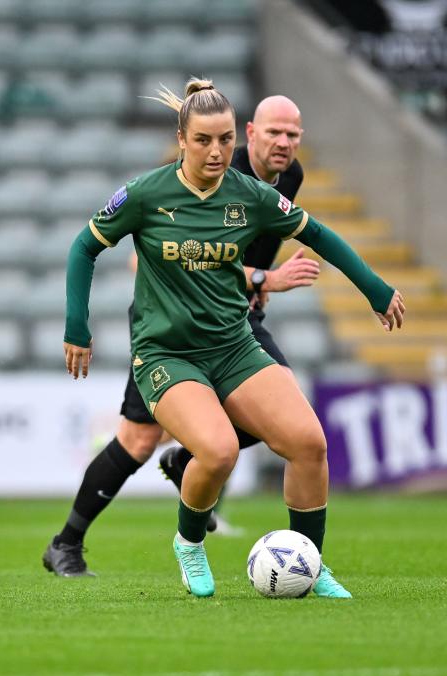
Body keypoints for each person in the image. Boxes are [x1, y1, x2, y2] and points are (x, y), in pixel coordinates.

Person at [63, 78, 405, 599]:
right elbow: (83, 248)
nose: (217, 150)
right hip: (167, 354)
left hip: (234, 346)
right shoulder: (146, 194)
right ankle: (189, 543)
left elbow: (321, 237)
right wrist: (77, 328)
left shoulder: (254, 194)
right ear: (182, 139)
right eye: (204, 140)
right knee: (218, 451)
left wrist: (376, 290)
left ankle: (309, 565)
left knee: (309, 444)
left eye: (224, 139)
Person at [44, 95, 318, 576]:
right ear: (250, 133)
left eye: (293, 135)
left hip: (232, 322)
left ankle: (191, 460)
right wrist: (261, 280)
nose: (284, 144)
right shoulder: (212, 168)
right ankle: (67, 541)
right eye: (274, 133)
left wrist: (252, 284)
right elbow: (140, 257)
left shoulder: (287, 178)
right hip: (172, 323)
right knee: (137, 439)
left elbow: (241, 251)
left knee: (282, 408)